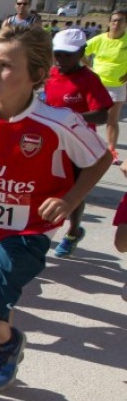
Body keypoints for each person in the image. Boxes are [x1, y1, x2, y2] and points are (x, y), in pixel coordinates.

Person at [0, 25, 111, 393]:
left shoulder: (58, 122)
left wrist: (69, 200)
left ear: (37, 76)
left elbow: (99, 159)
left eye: (7, 66)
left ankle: (8, 343)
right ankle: (1, 350)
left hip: (29, 231)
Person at [43, 27, 113, 258]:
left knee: (74, 193)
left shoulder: (89, 79)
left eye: (68, 55)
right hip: (51, 143)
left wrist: (72, 119)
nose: (61, 59)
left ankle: (73, 231)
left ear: (82, 52)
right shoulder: (50, 74)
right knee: (45, 188)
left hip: (79, 146)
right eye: (58, 54)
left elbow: (102, 115)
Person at [85, 9, 127, 165]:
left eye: (120, 21)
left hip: (117, 85)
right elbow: (81, 50)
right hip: (96, 85)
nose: (116, 24)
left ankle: (111, 151)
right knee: (89, 117)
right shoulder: (100, 39)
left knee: (112, 119)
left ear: (125, 24)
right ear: (109, 22)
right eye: (114, 20)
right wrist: (87, 67)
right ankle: (86, 147)